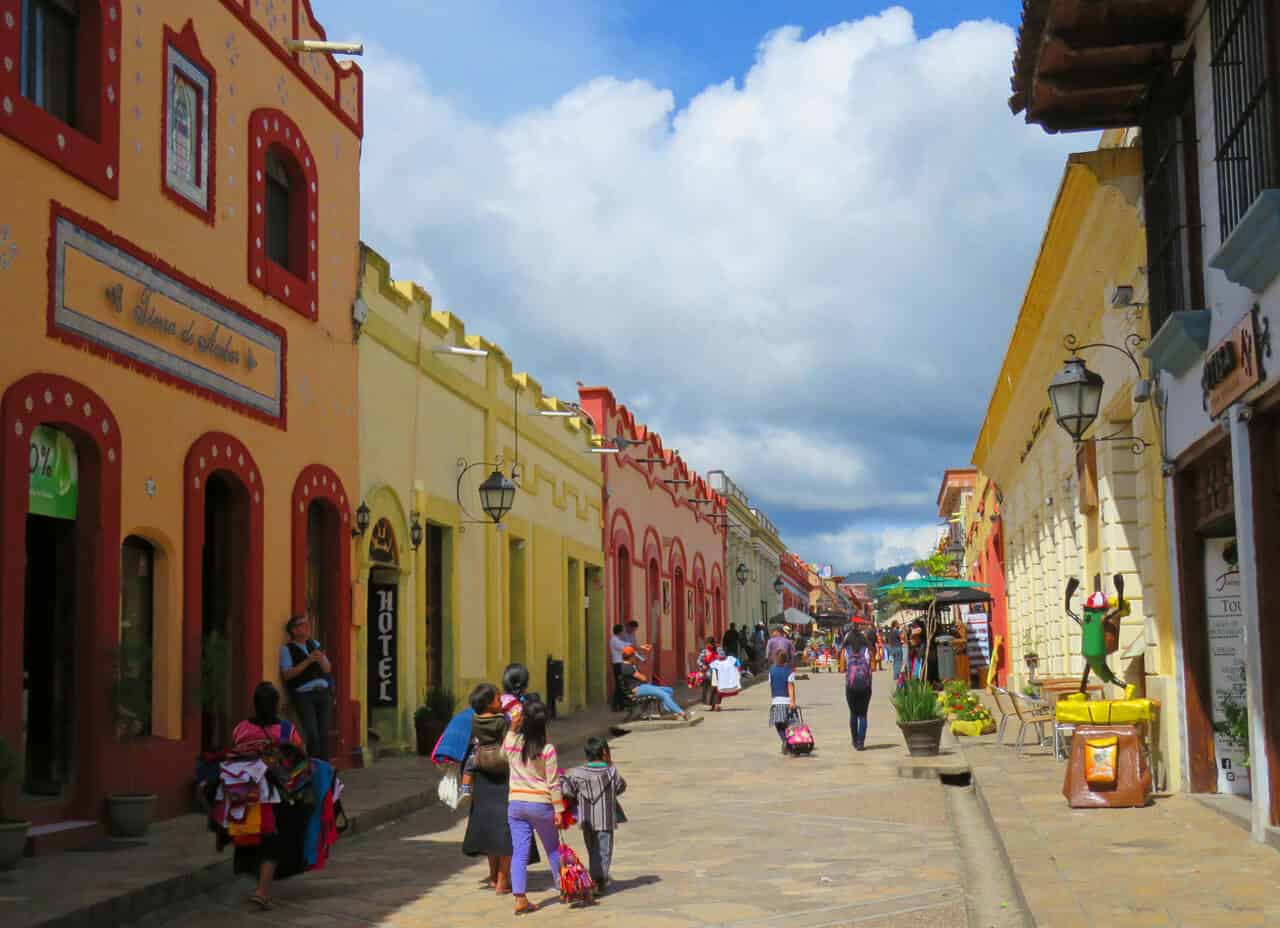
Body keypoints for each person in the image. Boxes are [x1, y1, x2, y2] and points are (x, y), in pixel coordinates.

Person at [230, 682, 309, 910]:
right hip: (276, 796)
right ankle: (262, 892)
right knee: (273, 842)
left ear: (255, 705)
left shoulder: (241, 728)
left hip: (245, 794)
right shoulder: (286, 730)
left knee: (252, 839)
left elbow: (233, 752)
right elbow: (301, 757)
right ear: (276, 705)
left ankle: (259, 886)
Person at [505, 699, 566, 915]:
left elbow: (507, 744)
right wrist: (559, 810)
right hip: (541, 805)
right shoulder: (547, 749)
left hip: (516, 804)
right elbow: (553, 783)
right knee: (552, 848)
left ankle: (520, 898)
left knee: (519, 852)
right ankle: (563, 887)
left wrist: (513, 726)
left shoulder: (512, 744)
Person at [561, 736, 627, 896]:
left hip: (587, 820)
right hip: (605, 819)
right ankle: (600, 881)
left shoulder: (577, 773)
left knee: (592, 850)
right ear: (604, 753)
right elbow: (621, 787)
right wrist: (610, 764)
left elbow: (567, 791)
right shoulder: (611, 772)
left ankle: (596, 879)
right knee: (604, 851)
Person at [279, 613, 331, 760]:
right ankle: (313, 768)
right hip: (304, 694)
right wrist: (308, 661)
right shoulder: (287, 649)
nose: (308, 627)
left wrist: (321, 659)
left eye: (308, 624)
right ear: (294, 630)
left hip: (323, 692)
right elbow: (287, 674)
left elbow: (327, 669)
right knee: (312, 733)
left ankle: (325, 769)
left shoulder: (315, 644)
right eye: (303, 624)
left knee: (323, 733)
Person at [620, 647, 689, 720]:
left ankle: (668, 710)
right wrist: (641, 673)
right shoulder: (627, 667)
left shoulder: (628, 666)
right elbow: (644, 678)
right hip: (638, 689)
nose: (635, 658)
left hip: (642, 686)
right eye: (634, 656)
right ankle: (681, 713)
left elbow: (641, 678)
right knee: (664, 694)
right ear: (631, 657)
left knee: (669, 690)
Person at [843, 630, 873, 750]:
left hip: (851, 686)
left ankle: (855, 740)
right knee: (863, 714)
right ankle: (861, 742)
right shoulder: (866, 650)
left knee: (853, 713)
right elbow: (872, 666)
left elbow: (841, 668)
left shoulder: (846, 650)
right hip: (865, 686)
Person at [768, 648, 798, 753]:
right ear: (786, 660)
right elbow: (790, 687)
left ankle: (784, 739)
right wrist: (793, 701)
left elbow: (771, 685)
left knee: (778, 724)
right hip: (787, 702)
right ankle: (790, 741)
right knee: (790, 724)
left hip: (776, 702)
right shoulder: (789, 672)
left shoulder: (771, 671)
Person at [609, 624, 630, 711]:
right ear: (619, 631)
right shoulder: (614, 640)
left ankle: (621, 705)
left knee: (621, 685)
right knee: (620, 685)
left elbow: (625, 644)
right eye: (623, 631)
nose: (623, 633)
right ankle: (616, 705)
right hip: (618, 664)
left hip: (620, 664)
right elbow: (624, 648)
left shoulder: (617, 640)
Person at [697, 637, 718, 705]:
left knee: (714, 688)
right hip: (706, 673)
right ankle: (705, 703)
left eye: (709, 644)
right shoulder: (704, 651)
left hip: (715, 672)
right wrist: (703, 665)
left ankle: (714, 704)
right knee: (705, 688)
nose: (708, 645)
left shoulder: (716, 651)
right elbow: (699, 660)